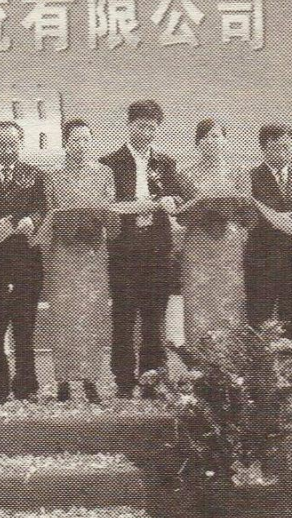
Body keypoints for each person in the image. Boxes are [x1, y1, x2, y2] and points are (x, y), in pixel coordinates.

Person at [100, 100, 183, 399]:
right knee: (123, 314)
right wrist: (149, 204)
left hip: (157, 248)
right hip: (123, 248)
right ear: (129, 125)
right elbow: (109, 205)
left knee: (154, 315)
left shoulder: (166, 162)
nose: (147, 132)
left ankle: (152, 377)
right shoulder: (109, 163)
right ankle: (123, 379)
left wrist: (172, 201)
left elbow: (176, 196)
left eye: (152, 127)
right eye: (141, 126)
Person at [34, 119, 116, 404]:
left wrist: (97, 220)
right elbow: (49, 214)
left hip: (93, 252)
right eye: (75, 140)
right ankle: (63, 380)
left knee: (92, 312)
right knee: (63, 313)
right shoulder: (53, 176)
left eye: (85, 139)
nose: (81, 145)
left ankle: (91, 379)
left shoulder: (104, 173)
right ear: (65, 143)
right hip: (63, 252)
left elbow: (109, 210)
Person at [0, 121, 46, 404]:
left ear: (21, 143)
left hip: (25, 260)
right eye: (1, 144)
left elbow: (43, 208)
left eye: (13, 144)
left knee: (24, 326)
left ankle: (26, 385)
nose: (8, 150)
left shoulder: (36, 174)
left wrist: (33, 219)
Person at [176, 120, 254, 346]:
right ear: (197, 142)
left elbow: (248, 212)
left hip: (229, 244)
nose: (211, 140)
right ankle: (199, 358)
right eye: (206, 136)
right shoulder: (185, 174)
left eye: (217, 135)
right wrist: (200, 207)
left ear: (225, 140)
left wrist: (234, 208)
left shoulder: (240, 171)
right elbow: (181, 216)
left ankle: (230, 358)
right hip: (198, 244)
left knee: (229, 299)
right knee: (199, 300)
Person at [245, 124, 292, 339]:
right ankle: (260, 361)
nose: (282, 153)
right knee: (260, 322)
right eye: (275, 147)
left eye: (287, 147)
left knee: (291, 322)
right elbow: (250, 217)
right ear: (263, 149)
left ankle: (290, 360)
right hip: (263, 259)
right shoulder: (251, 177)